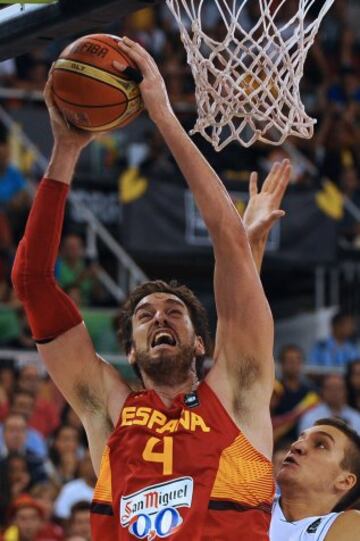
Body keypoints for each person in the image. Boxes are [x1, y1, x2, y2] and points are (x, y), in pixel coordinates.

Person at [12, 36, 291, 540]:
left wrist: (164, 115)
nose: (160, 316)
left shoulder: (239, 393)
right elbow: (32, 282)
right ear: (131, 354)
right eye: (145, 315)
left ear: (201, 343)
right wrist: (66, 151)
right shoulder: (107, 410)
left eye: (174, 312)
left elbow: (224, 238)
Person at [270, 417, 360, 540]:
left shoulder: (351, 526)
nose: (296, 445)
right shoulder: (250, 501)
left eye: (320, 445)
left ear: (344, 481)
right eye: (300, 439)